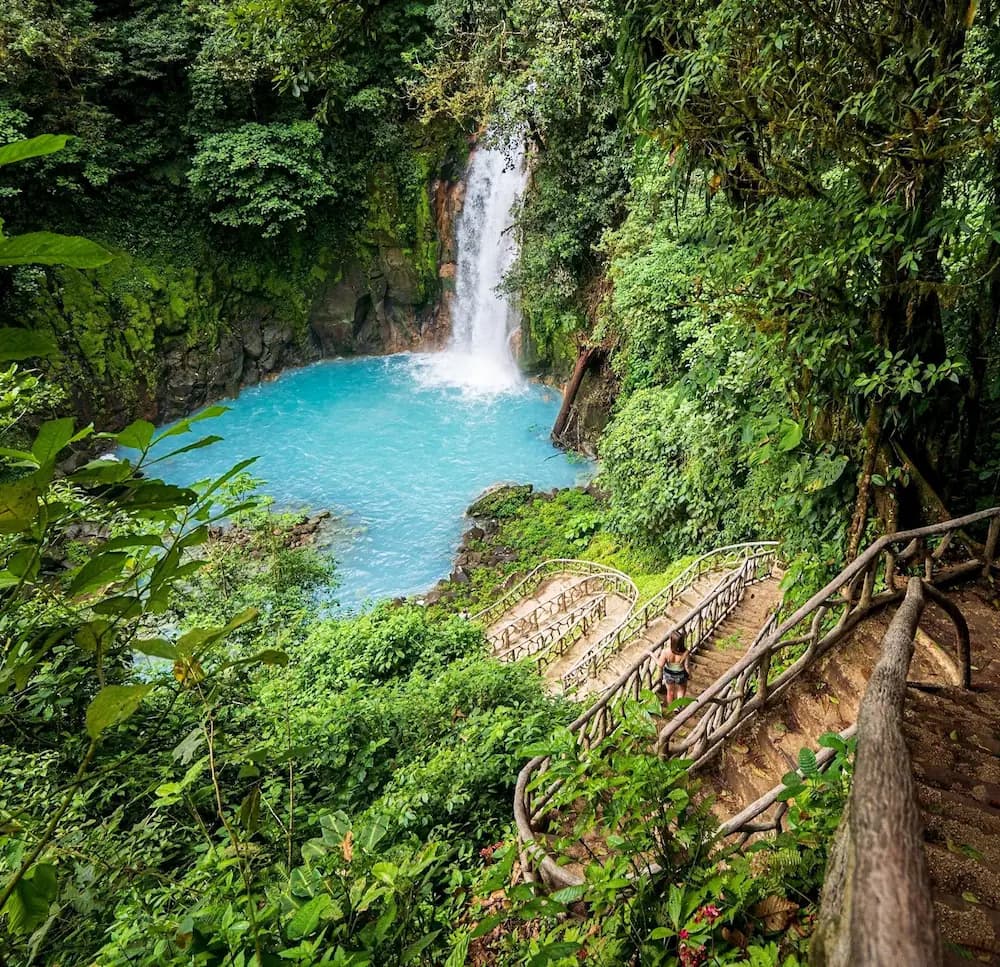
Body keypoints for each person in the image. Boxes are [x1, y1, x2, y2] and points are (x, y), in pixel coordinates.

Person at [652, 630, 689, 707]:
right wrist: (689, 675)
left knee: (670, 691)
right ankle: (678, 707)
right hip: (680, 674)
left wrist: (652, 655)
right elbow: (687, 667)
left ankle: (671, 707)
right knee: (681, 690)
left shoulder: (665, 652)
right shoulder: (685, 652)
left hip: (669, 674)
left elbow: (660, 664)